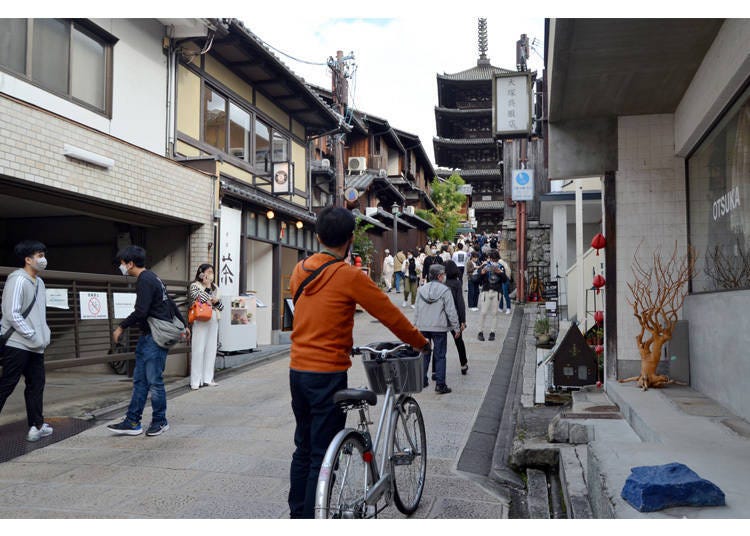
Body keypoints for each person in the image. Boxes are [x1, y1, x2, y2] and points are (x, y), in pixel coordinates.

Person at [288, 207, 428, 519]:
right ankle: (311, 519)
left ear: (318, 236)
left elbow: (317, 313)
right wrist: (421, 341)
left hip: (297, 370)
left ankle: (297, 512)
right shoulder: (348, 275)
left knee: (304, 448)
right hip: (327, 372)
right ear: (351, 239)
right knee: (321, 455)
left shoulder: (300, 270)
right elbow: (389, 315)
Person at [108, 245, 189, 437]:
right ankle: (132, 421)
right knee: (141, 381)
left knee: (153, 381)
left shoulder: (144, 280)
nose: (121, 267)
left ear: (130, 263)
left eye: (122, 264)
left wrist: (121, 326)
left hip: (154, 338)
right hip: (149, 337)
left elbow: (141, 311)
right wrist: (184, 323)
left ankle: (160, 421)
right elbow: (169, 302)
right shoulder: (154, 277)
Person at [0, 240, 53, 442]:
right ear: (27, 259)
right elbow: (12, 313)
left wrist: (43, 336)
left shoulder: (39, 282)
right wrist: (31, 334)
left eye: (43, 254)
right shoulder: (18, 280)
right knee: (7, 384)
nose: (43, 259)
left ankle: (37, 426)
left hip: (36, 345)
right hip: (17, 343)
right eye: (39, 255)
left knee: (36, 385)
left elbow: (40, 314)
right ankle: (36, 425)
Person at [414, 264, 459, 394]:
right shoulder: (445, 290)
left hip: (423, 326)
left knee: (424, 353)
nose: (444, 277)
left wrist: (415, 326)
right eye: (443, 274)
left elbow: (416, 310)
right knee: (440, 356)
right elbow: (451, 311)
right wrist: (456, 328)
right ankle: (440, 384)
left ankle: (422, 380)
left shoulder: (421, 290)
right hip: (439, 327)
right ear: (440, 276)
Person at [188, 264, 224, 390]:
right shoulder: (195, 286)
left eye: (212, 272)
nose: (211, 274)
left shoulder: (216, 287)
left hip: (214, 318)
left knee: (211, 349)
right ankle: (195, 381)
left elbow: (221, 306)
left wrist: (215, 301)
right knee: (198, 349)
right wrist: (208, 290)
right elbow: (200, 298)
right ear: (201, 273)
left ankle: (208, 378)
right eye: (208, 272)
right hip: (200, 318)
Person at [444, 260, 468, 375]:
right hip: (454, 317)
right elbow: (460, 303)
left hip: (442, 317)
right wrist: (462, 320)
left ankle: (434, 371)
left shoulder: (441, 283)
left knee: (439, 343)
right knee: (459, 341)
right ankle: (463, 364)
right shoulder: (457, 283)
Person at [477, 249, 507, 342]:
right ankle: (480, 331)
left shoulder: (501, 267)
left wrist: (500, 273)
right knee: (483, 312)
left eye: (495, 260)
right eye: (492, 259)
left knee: (494, 313)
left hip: (496, 292)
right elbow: (478, 280)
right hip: (486, 291)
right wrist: (482, 274)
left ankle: (492, 332)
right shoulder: (485, 266)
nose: (494, 261)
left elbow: (505, 280)